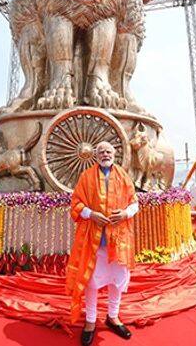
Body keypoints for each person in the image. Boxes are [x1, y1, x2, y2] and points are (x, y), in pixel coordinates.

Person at [66, 142, 139, 346]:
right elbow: (76, 203)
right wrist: (91, 214)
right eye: (101, 152)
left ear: (114, 154)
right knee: (91, 281)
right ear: (95, 156)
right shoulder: (86, 177)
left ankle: (113, 316)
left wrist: (125, 213)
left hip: (119, 239)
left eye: (108, 151)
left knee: (117, 280)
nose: (105, 154)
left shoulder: (124, 176)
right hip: (94, 239)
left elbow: (135, 203)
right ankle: (90, 321)